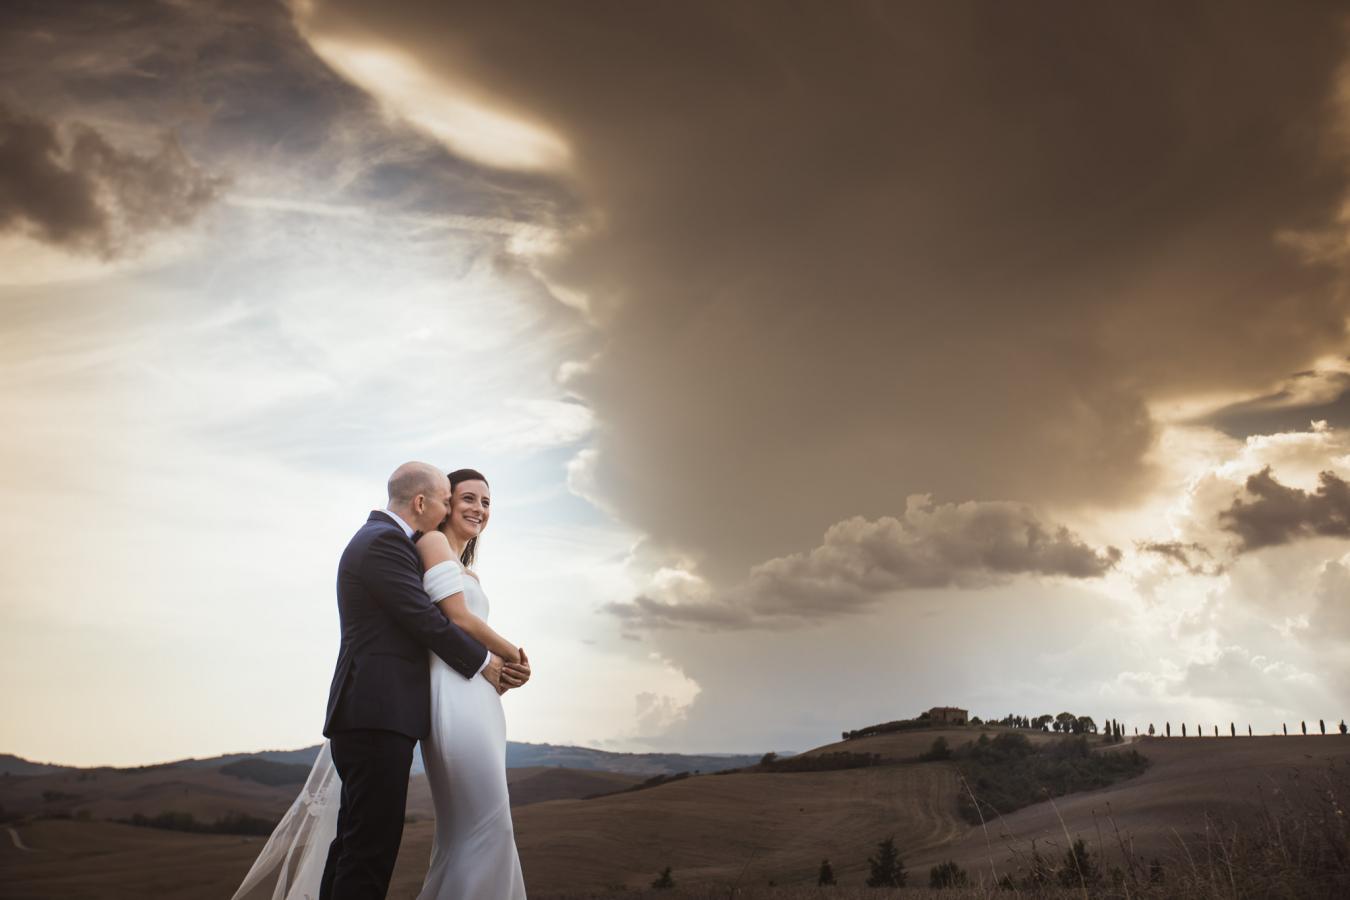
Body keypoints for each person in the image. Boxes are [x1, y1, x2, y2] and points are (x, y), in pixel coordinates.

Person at [231, 462, 530, 900]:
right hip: (375, 714)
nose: (458, 508)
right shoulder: (383, 542)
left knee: (359, 844)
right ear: (423, 503)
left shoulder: (391, 542)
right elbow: (426, 620)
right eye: (452, 500)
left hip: (384, 713)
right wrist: (489, 660)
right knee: (370, 848)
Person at [413, 467, 527, 899]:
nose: (479, 509)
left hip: (480, 700)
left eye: (486, 502)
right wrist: (514, 655)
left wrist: (501, 673)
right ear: (445, 503)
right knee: (485, 827)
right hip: (453, 698)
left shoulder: (469, 572)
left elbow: (466, 636)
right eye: (468, 499)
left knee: (481, 829)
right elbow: (457, 619)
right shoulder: (432, 541)